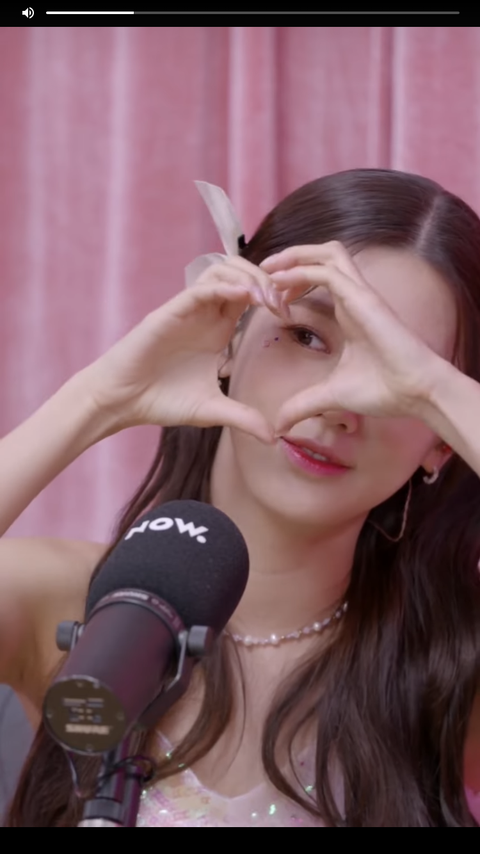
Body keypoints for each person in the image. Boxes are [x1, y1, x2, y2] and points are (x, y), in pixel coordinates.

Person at [1, 168, 480, 828]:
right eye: (307, 335)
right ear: (231, 339)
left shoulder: (449, 665)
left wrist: (437, 391)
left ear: (442, 443)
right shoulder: (73, 603)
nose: (337, 405)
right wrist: (96, 400)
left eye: (394, 369)